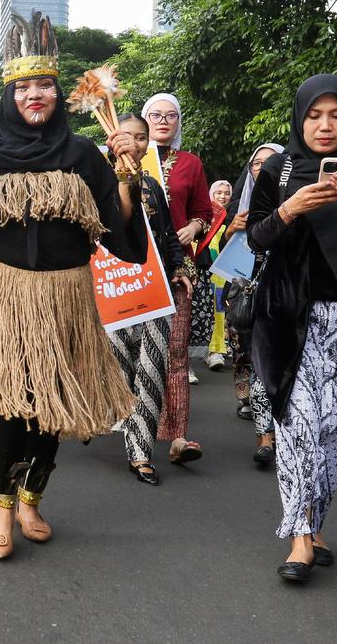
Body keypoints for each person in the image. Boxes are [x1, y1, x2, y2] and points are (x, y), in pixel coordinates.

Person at [0, 11, 145, 559]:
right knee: (10, 403)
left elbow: (120, 232)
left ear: (58, 93)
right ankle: (0, 507)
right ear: (9, 95)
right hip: (4, 295)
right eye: (23, 87)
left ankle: (31, 499)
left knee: (53, 401)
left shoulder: (84, 154)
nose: (35, 95)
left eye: (44, 85)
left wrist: (128, 176)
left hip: (65, 295)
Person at [247, 73, 337, 582]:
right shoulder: (279, 169)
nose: (325, 126)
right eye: (314, 116)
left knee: (333, 429)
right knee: (297, 426)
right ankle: (299, 538)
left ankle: (315, 523)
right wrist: (289, 209)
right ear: (300, 119)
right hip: (287, 318)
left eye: (336, 115)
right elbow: (256, 239)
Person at [105, 113, 191, 486]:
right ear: (112, 140)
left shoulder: (153, 186)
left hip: (154, 291)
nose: (135, 144)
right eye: (128, 136)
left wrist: (178, 267)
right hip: (112, 291)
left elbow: (168, 232)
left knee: (152, 367)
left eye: (142, 138)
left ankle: (140, 452)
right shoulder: (97, 180)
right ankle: (114, 417)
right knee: (119, 367)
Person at [141, 91, 213, 462]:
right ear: (145, 120)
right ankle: (138, 427)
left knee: (177, 350)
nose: (163, 121)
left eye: (171, 115)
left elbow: (205, 211)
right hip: (135, 266)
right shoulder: (129, 161)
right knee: (138, 350)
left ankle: (179, 436)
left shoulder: (190, 163)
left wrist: (195, 226)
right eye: (156, 115)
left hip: (178, 266)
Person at [223, 142, 284, 465]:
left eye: (271, 161)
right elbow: (221, 250)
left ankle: (266, 437)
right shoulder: (239, 205)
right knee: (245, 355)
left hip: (283, 294)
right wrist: (231, 228)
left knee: (266, 364)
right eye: (257, 163)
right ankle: (250, 403)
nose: (263, 168)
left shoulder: (296, 199)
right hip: (243, 294)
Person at [200, 179, 233, 370]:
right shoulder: (202, 216)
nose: (222, 196)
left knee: (219, 313)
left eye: (226, 193)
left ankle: (216, 350)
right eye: (218, 192)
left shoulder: (231, 218)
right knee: (201, 312)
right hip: (203, 273)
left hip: (222, 276)